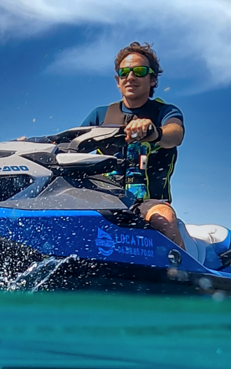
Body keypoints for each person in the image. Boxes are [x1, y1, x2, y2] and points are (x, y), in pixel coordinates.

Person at [82, 42, 186, 249]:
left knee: (164, 219)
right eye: (124, 72)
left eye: (139, 71)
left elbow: (175, 134)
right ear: (118, 81)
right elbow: (70, 145)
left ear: (153, 79)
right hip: (103, 200)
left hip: (148, 204)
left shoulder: (165, 112)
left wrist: (154, 133)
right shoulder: (100, 115)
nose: (130, 77)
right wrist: (31, 144)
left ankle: (180, 265)